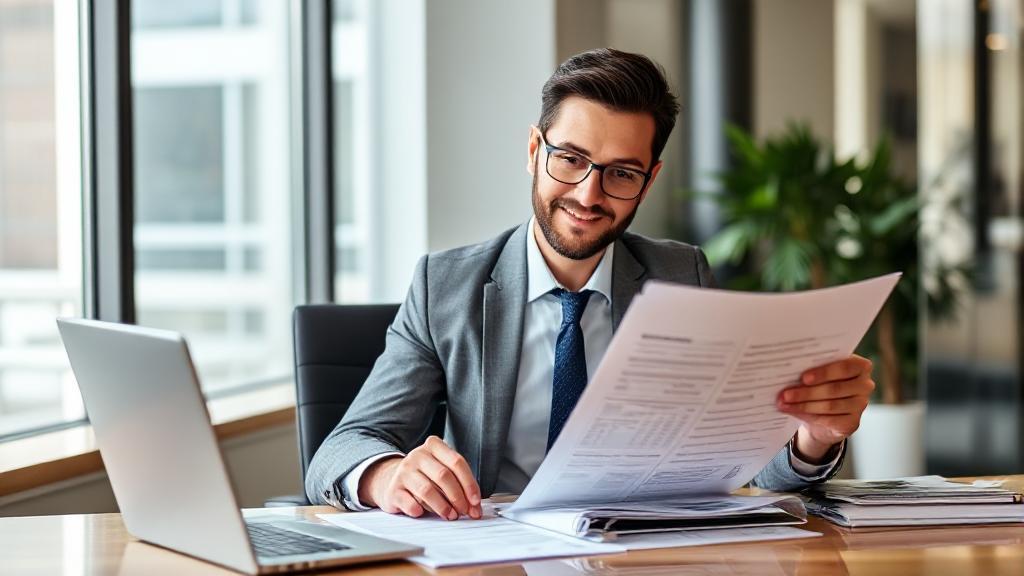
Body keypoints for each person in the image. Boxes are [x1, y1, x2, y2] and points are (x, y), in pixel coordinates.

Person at [305, 48, 874, 521]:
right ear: (534, 151)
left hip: (637, 554)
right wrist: (387, 475)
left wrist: (812, 439)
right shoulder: (445, 286)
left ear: (648, 181)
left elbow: (743, 472)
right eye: (570, 159)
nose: (587, 194)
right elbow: (343, 448)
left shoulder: (682, 277)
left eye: (621, 173)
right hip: (496, 556)